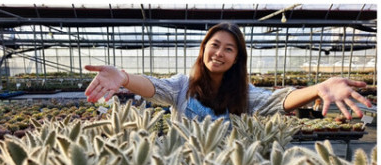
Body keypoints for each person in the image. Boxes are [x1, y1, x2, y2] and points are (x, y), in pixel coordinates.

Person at [85, 22, 372, 122]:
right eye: (215, 45)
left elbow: (279, 100)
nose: (219, 53)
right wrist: (123, 77)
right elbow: (156, 87)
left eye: (229, 49)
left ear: (237, 59)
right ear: (204, 49)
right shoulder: (184, 86)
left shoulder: (245, 95)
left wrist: (320, 87)